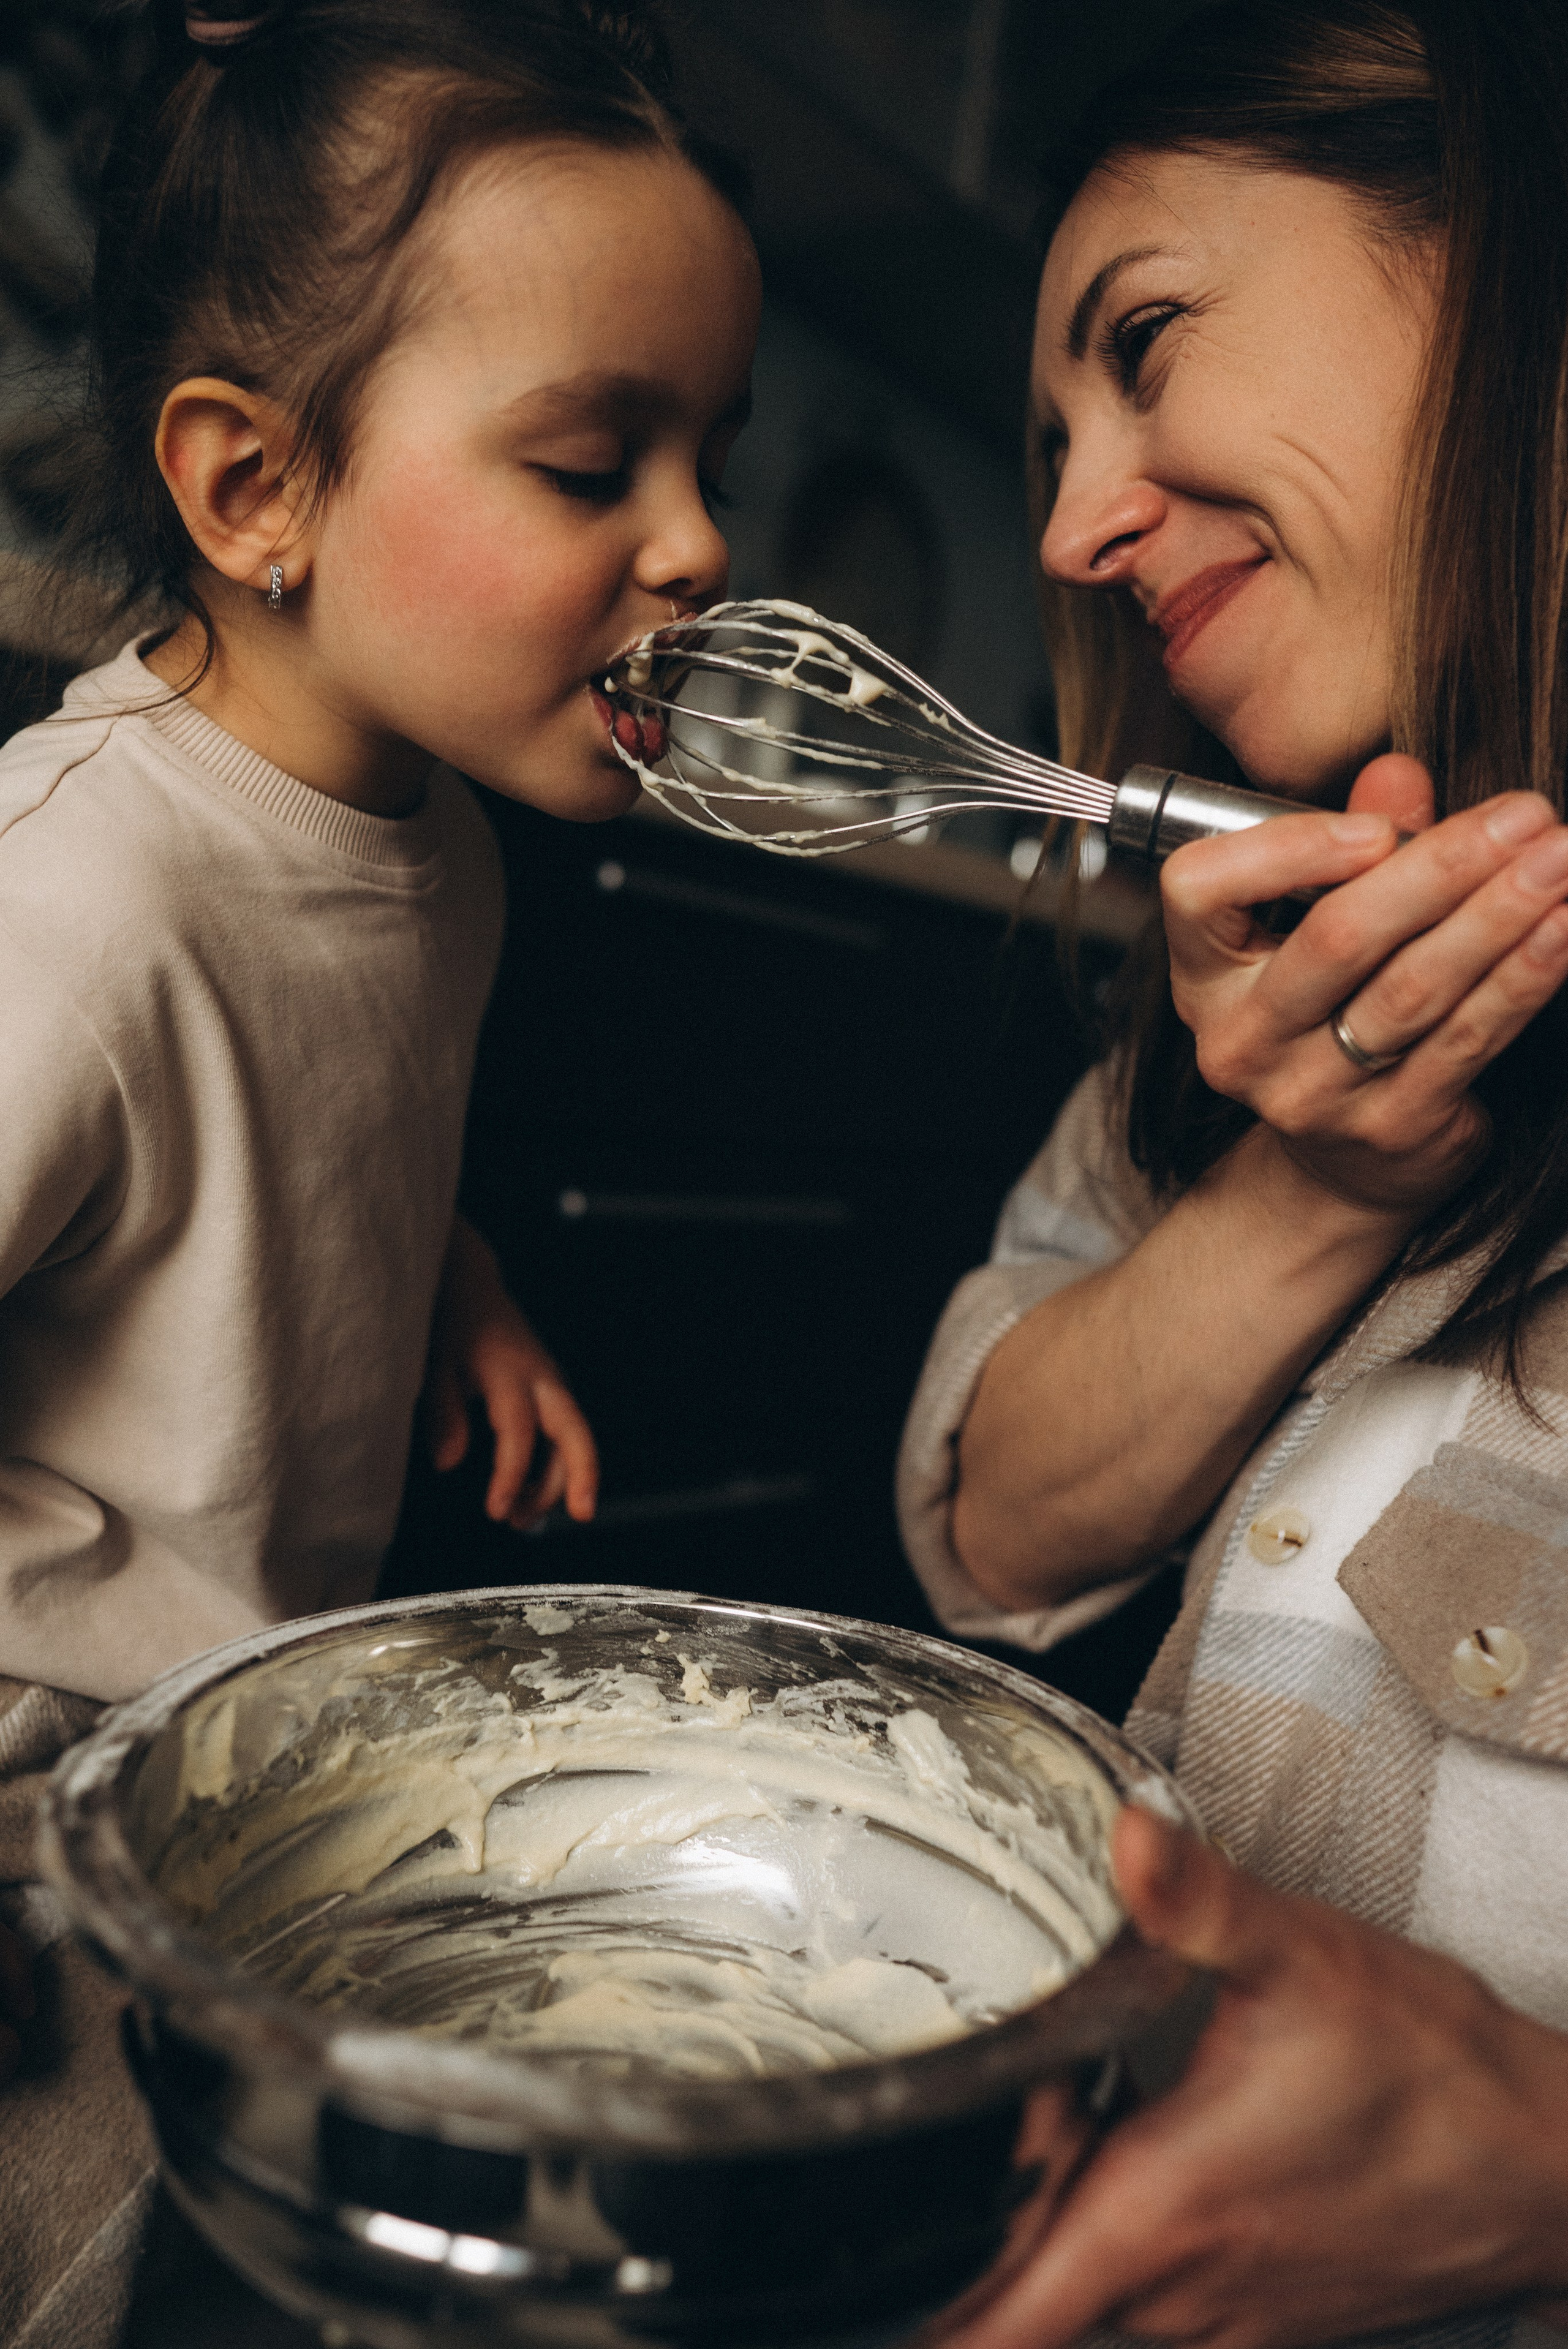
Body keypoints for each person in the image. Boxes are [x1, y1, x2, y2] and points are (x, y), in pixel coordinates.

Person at [0, 1, 759, 2337]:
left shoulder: (437, 839)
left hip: (228, 1755)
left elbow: (305, 1098)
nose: (702, 538)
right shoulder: (80, 894)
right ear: (256, 494)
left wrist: (452, 1277)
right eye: (591, 459)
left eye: (706, 450)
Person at [898, 4, 1568, 2345]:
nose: (1076, 523)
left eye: (1148, 344)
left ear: (1508, 252)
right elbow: (983, 1527)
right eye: (1055, 439)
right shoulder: (1205, 1053)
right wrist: (1316, 1190)